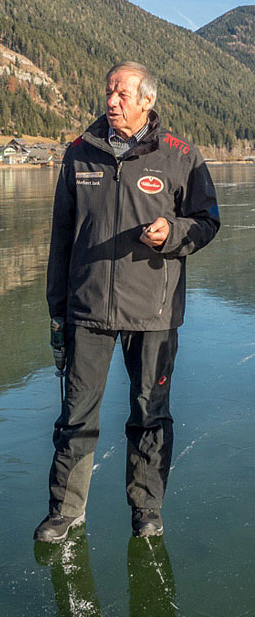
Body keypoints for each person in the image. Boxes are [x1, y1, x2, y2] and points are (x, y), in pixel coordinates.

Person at [34, 61, 220, 542]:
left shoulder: (180, 156)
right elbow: (60, 237)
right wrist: (58, 307)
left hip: (153, 309)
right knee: (76, 414)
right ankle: (65, 510)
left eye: (121, 93)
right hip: (88, 308)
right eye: (108, 92)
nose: (111, 101)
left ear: (147, 101)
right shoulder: (79, 153)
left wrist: (173, 233)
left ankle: (146, 509)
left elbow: (207, 221)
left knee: (149, 412)